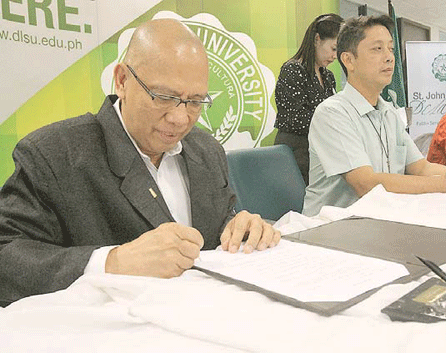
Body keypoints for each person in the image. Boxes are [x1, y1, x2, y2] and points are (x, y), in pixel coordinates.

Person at [0, 19, 280, 306]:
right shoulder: (53, 155)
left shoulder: (207, 150)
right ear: (122, 81)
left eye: (195, 102)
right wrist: (112, 262)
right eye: (163, 97)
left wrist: (239, 228)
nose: (180, 118)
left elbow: (218, 221)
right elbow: (7, 257)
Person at [302, 15, 446, 217]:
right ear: (349, 60)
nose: (389, 57)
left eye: (390, 49)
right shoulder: (332, 113)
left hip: (382, 216)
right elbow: (365, 184)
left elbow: (420, 168)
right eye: (377, 49)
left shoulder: (387, 111)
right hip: (334, 224)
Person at [274, 13, 344, 185]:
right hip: (295, 154)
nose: (335, 56)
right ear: (317, 39)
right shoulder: (293, 70)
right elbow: (294, 118)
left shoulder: (327, 76)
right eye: (333, 48)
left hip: (320, 153)